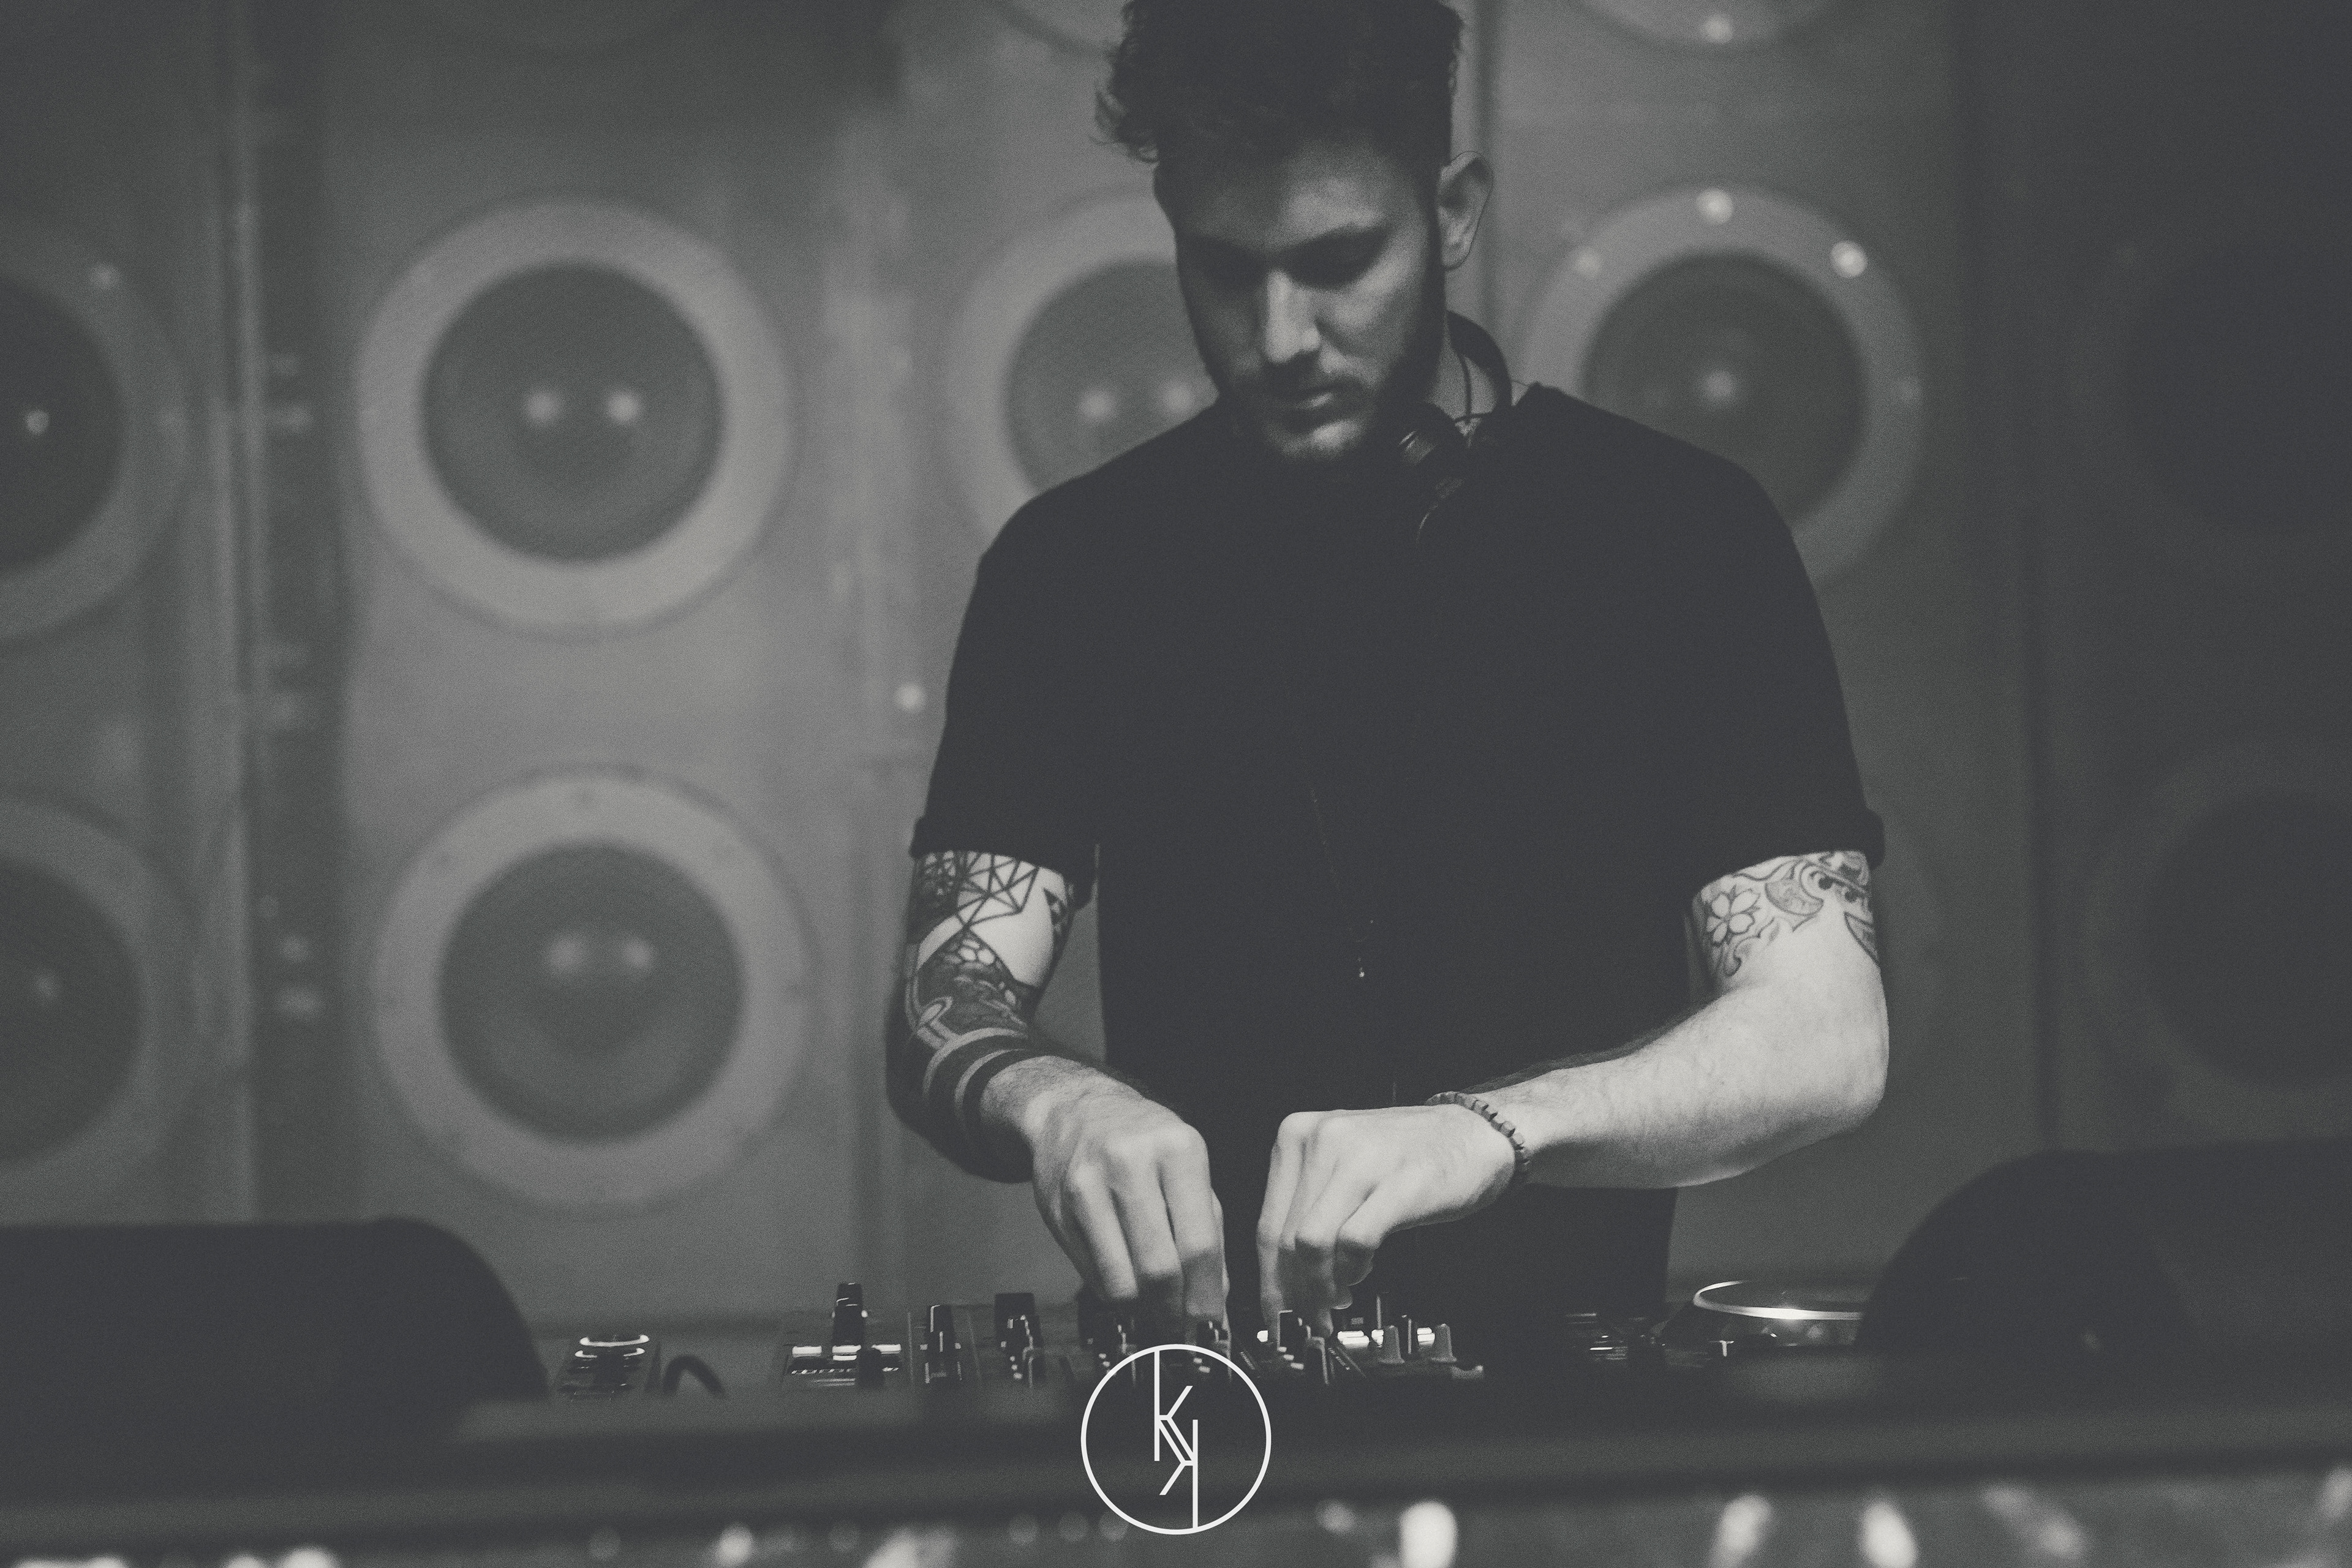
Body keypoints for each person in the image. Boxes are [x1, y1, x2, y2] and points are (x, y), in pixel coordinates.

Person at [887, 0, 1887, 1356]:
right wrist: (1053, 1099)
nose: (1281, 336)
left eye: (1338, 261)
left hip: (1572, 1420)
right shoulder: (1073, 566)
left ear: (1454, 213)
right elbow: (942, 1001)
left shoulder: (1681, 536)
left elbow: (1828, 1034)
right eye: (1224, 270)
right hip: (1198, 1417)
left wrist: (1491, 1131)